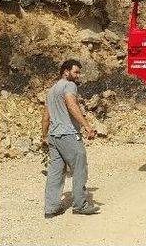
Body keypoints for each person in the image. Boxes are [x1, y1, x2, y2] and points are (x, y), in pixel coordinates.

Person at [42, 59, 100, 218]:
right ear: (65, 72)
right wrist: (87, 126)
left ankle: (51, 208)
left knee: (55, 173)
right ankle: (80, 205)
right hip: (68, 135)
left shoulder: (52, 90)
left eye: (79, 72)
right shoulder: (69, 86)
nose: (78, 75)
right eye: (75, 72)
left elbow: (46, 115)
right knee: (79, 168)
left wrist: (44, 135)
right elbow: (71, 104)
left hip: (54, 136)